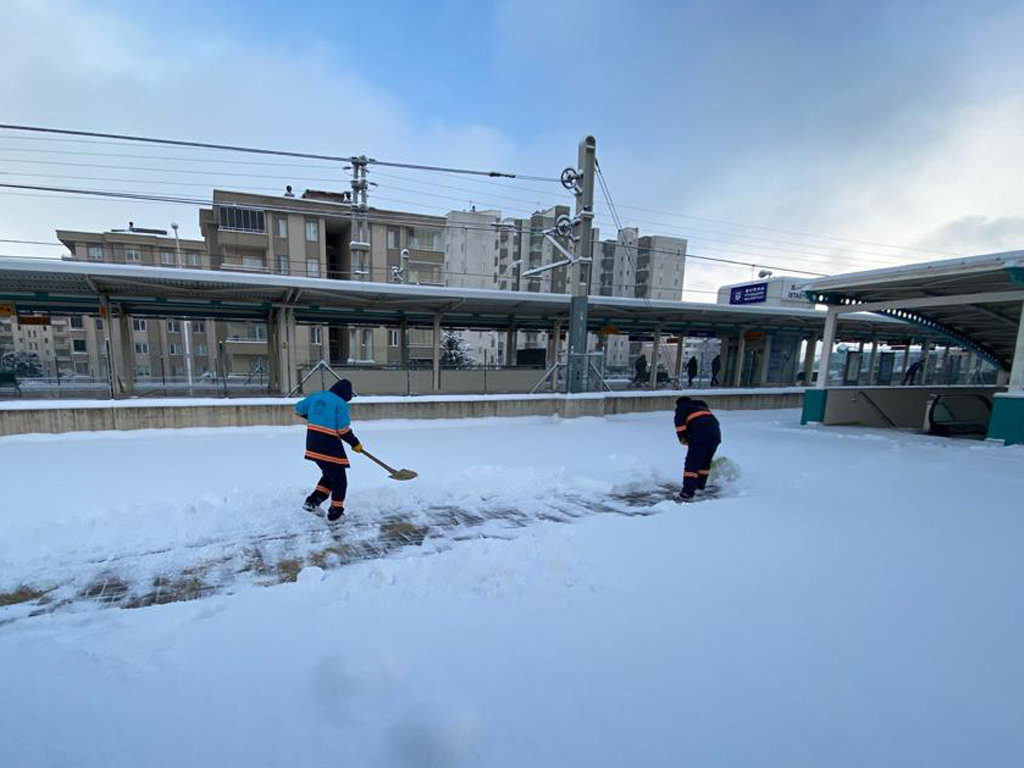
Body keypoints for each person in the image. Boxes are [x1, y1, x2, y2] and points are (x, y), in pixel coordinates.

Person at [294, 379, 363, 521]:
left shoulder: (316, 396)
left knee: (329, 476)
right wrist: (355, 443)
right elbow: (343, 429)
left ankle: (312, 502)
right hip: (328, 446)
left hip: (313, 444)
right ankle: (335, 513)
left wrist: (314, 416)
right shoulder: (340, 403)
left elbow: (299, 409)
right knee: (340, 481)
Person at [674, 396, 722, 501]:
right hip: (716, 434)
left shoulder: (682, 407)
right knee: (705, 462)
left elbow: (680, 425)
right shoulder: (700, 406)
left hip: (701, 433)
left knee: (692, 463)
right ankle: (699, 487)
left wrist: (682, 438)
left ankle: (687, 493)